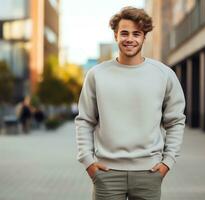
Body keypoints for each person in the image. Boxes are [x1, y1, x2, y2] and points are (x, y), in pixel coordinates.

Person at [75, 6, 186, 200]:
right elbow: (84, 120)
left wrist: (167, 162)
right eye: (124, 33)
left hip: (149, 173)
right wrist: (88, 162)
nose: (130, 39)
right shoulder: (97, 75)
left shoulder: (164, 74)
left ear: (144, 37)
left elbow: (176, 121)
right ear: (116, 35)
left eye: (137, 33)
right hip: (106, 173)